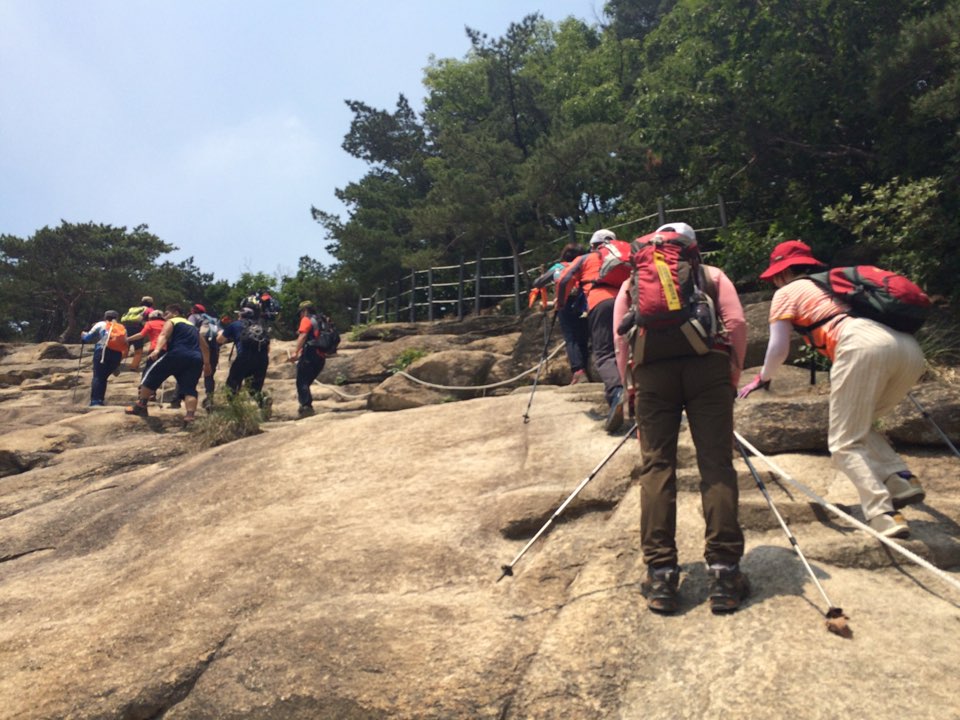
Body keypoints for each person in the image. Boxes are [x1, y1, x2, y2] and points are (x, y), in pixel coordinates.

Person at [737, 240, 927, 539]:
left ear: (782, 273)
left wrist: (762, 377)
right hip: (908, 349)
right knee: (858, 426)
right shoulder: (835, 284)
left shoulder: (787, 292)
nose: (774, 281)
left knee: (843, 442)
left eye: (775, 275)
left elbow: (778, 347)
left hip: (860, 345)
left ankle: (883, 514)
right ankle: (901, 479)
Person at [613, 222, 748, 615]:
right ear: (692, 249)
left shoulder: (631, 283)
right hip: (709, 368)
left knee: (656, 467)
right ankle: (724, 574)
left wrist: (629, 383)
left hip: (652, 372)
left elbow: (619, 337)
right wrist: (735, 369)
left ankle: (661, 576)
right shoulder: (711, 275)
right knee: (716, 464)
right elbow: (736, 323)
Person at [556, 229, 633, 430]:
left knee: (604, 352)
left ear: (593, 245)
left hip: (602, 302)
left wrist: (561, 302)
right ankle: (640, 395)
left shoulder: (586, 258)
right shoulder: (626, 256)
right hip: (630, 302)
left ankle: (616, 393)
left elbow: (564, 280)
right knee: (629, 350)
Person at [126, 304, 210, 424]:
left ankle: (141, 405)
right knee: (190, 389)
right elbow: (205, 347)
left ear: (175, 313)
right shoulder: (193, 327)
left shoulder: (172, 321)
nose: (164, 316)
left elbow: (164, 335)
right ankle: (190, 417)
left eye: (166, 313)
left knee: (150, 376)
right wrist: (207, 364)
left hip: (176, 354)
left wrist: (157, 350)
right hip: (195, 359)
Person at [531, 243, 590, 384]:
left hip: (565, 303)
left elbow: (538, 282)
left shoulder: (559, 267)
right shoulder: (585, 264)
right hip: (584, 302)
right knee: (583, 336)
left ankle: (578, 371)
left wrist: (543, 281)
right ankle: (586, 369)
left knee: (571, 337)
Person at [169, 304, 220, 409]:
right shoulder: (213, 319)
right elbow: (219, 334)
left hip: (195, 348)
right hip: (212, 349)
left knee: (184, 373)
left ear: (193, 310)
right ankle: (209, 400)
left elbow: (190, 329)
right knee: (209, 375)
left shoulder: (193, 317)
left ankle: (176, 399)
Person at [218, 306, 270, 404]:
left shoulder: (235, 325)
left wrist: (221, 332)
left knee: (232, 384)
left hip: (244, 358)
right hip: (262, 360)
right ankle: (262, 401)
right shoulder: (260, 326)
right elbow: (267, 347)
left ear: (240, 315)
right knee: (254, 388)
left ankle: (235, 408)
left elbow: (220, 340)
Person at [290, 301, 329, 418]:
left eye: (300, 313)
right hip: (321, 357)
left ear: (305, 311)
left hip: (310, 355)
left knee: (301, 381)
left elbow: (302, 336)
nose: (300, 316)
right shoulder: (323, 320)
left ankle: (306, 407)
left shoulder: (306, 319)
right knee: (306, 382)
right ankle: (306, 405)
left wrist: (295, 352)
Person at [80, 310, 125, 406]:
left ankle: (96, 401)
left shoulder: (100, 324)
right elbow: (125, 342)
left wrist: (83, 335)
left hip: (102, 351)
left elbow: (88, 337)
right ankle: (100, 399)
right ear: (117, 318)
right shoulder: (121, 328)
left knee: (98, 377)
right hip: (117, 355)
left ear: (105, 317)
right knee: (103, 378)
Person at [121, 296, 155, 372]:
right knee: (138, 350)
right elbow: (153, 318)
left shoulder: (133, 309)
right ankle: (134, 367)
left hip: (126, 328)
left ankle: (114, 363)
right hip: (137, 329)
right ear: (151, 303)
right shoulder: (149, 309)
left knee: (125, 348)